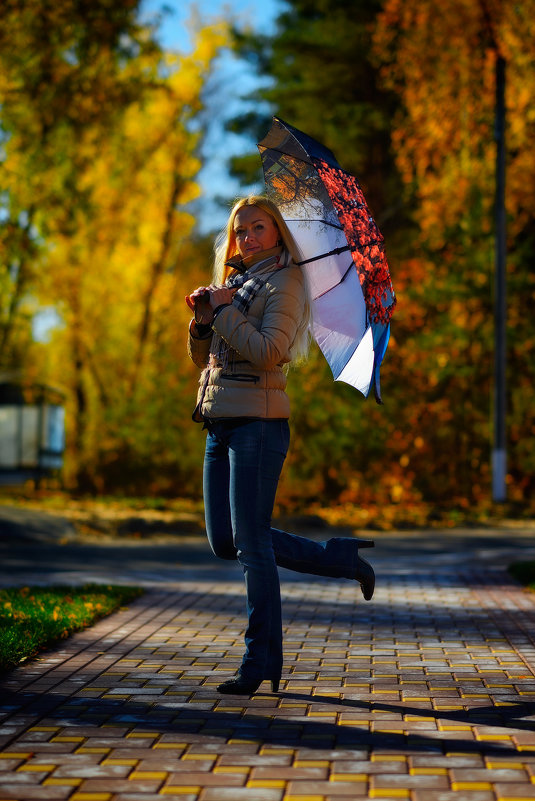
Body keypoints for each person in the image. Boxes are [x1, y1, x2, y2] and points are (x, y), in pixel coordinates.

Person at [186, 195, 375, 696]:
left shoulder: (288, 280)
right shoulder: (235, 284)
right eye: (240, 230)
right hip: (220, 421)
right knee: (226, 541)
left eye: (258, 228)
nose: (247, 238)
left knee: (252, 546)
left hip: (260, 425)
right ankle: (338, 558)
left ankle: (260, 659)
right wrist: (204, 319)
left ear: (277, 233)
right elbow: (203, 358)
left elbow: (270, 353)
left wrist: (224, 313)